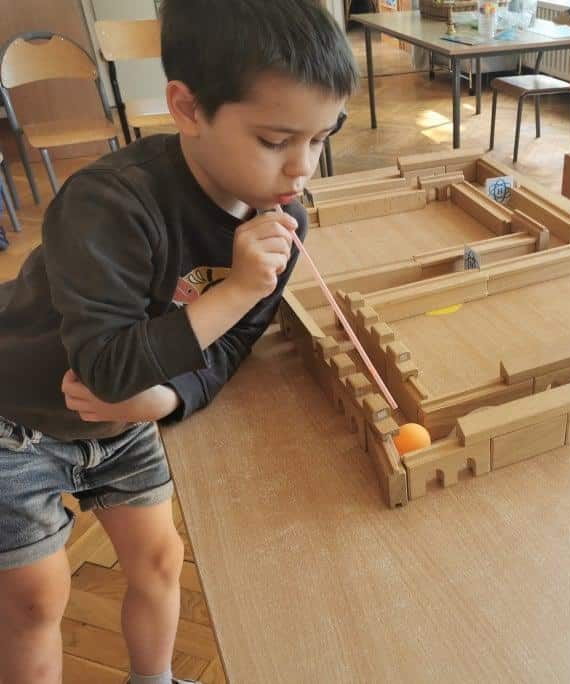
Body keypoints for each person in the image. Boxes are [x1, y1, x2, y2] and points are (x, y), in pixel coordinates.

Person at [0, 1, 357, 681]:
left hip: (127, 418)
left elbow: (230, 350)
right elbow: (106, 371)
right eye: (275, 140)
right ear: (187, 108)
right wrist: (237, 290)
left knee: (162, 562)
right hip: (19, 419)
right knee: (34, 599)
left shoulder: (282, 223)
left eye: (320, 138)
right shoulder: (108, 204)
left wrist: (165, 400)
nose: (302, 169)